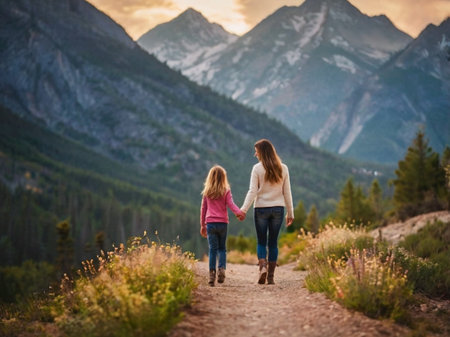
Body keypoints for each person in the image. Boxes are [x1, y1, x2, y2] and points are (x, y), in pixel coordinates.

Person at [240, 139, 294, 285]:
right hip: (278, 209)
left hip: (261, 209)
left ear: (262, 152)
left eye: (256, 152)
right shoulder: (283, 168)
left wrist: (243, 209)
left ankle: (262, 266)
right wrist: (290, 213)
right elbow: (287, 192)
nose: (255, 154)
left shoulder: (257, 169)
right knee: (273, 243)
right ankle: (270, 276)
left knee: (261, 241)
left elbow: (252, 191)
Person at [200, 165, 245, 286]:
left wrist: (202, 225)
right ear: (223, 178)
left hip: (210, 223)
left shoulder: (207, 192)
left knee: (212, 249)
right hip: (222, 223)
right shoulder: (226, 191)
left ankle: (211, 274)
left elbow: (203, 209)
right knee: (222, 249)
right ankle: (221, 270)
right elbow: (231, 204)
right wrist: (239, 213)